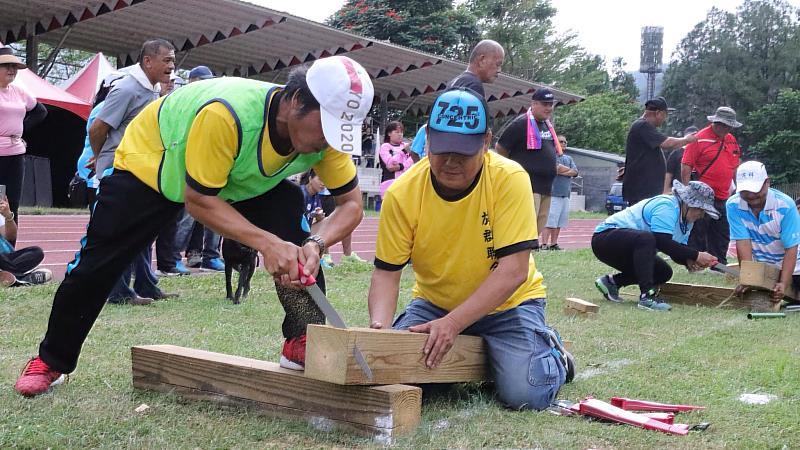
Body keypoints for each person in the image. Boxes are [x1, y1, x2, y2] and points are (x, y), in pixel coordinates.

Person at [14, 55, 374, 398]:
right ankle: (51, 361)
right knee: (96, 265)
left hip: (236, 175)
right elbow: (199, 200)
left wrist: (315, 243)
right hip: (153, 165)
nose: (328, 140)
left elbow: (351, 205)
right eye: (325, 127)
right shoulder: (228, 114)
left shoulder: (326, 140)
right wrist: (266, 244)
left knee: (290, 216)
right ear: (296, 101)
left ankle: (301, 339)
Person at [368, 87, 573, 411]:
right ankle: (489, 354)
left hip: (510, 305)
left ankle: (554, 355)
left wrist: (452, 325)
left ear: (486, 141)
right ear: (428, 139)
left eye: (462, 153)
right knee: (399, 374)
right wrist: (378, 330)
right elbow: (387, 273)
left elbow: (513, 271)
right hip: (436, 305)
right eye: (442, 150)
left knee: (525, 395)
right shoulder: (402, 193)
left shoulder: (510, 178)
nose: (450, 162)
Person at [89, 39, 177, 304]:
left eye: (173, 60)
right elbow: (98, 128)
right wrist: (99, 157)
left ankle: (146, 285)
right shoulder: (127, 87)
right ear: (148, 61)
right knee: (120, 231)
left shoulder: (151, 89)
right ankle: (118, 291)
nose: (172, 66)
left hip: (140, 169)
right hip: (120, 170)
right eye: (167, 60)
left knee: (143, 229)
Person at [593, 180, 720, 311]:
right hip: (605, 239)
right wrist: (697, 255)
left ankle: (612, 282)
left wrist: (688, 260)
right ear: (689, 204)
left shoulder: (687, 222)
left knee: (663, 272)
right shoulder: (667, 206)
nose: (701, 215)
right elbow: (661, 241)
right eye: (700, 210)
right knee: (646, 238)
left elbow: (676, 249)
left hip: (630, 247)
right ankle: (647, 297)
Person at [409, 40, 505, 161]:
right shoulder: (473, 86)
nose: (499, 70)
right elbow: (468, 132)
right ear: (482, 60)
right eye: (498, 64)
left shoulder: (457, 81)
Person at [496, 88, 564, 241]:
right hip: (528, 185)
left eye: (551, 104)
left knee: (537, 229)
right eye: (545, 104)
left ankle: (528, 259)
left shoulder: (547, 124)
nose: (548, 108)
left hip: (546, 186)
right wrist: (512, 170)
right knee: (524, 229)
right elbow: (501, 147)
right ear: (534, 104)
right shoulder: (521, 123)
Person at [726, 161, 800, 301]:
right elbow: (743, 242)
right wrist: (748, 278)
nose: (751, 196)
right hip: (766, 268)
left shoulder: (786, 206)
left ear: (767, 183)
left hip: (795, 265)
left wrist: (784, 283)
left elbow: (791, 248)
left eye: (755, 190)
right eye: (745, 191)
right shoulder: (733, 205)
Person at [681, 107, 742, 266]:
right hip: (702, 195)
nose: (725, 128)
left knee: (721, 231)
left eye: (728, 126)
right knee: (699, 229)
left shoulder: (731, 140)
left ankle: (718, 263)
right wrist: (687, 193)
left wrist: (739, 190)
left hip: (723, 195)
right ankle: (695, 262)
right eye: (723, 124)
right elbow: (686, 165)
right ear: (715, 122)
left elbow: (735, 165)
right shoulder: (698, 139)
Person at [179, 65, 225, 273]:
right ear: (192, 82)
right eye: (202, 80)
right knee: (186, 215)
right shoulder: (182, 103)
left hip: (213, 165)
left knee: (216, 211)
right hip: (187, 166)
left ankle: (210, 255)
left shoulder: (216, 104)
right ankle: (172, 256)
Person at [0, 46, 47, 233]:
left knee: (12, 203)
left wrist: (19, 131)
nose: (12, 70)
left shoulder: (19, 91)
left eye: (14, 66)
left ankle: (9, 254)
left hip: (15, 154)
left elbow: (40, 111)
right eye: (6, 66)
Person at [622, 96, 697, 205]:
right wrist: (687, 139)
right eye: (665, 115)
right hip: (642, 190)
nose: (665, 119)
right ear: (658, 113)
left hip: (646, 189)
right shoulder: (642, 125)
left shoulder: (644, 128)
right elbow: (668, 143)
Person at [0, 194, 52, 287]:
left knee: (36, 252)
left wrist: (8, 216)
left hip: (6, 259)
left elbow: (10, 236)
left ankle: (8, 277)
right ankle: (23, 278)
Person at [541, 135, 578, 250]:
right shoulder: (551, 156)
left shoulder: (569, 158)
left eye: (565, 142)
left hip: (565, 194)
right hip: (553, 194)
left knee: (559, 222)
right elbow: (556, 169)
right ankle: (544, 244)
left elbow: (575, 172)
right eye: (561, 141)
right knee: (549, 221)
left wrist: (563, 170)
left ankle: (554, 244)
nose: (563, 144)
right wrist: (567, 170)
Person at [300, 170, 332, 269]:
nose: (323, 183)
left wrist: (319, 215)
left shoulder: (316, 195)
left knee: (326, 222)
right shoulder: (300, 193)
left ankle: (322, 257)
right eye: (320, 179)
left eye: (325, 180)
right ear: (310, 179)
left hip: (306, 231)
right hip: (295, 232)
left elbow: (318, 217)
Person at [663, 126, 699, 194]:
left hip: (695, 190)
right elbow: (668, 173)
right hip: (678, 189)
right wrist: (665, 190)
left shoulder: (700, 153)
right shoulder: (676, 153)